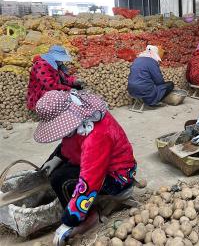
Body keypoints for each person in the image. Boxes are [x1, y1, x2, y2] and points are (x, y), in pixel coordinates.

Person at [34, 90, 137, 244]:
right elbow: (70, 143)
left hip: (118, 176)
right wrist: (56, 158)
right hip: (98, 164)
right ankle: (79, 210)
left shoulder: (96, 136)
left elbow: (89, 182)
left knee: (61, 179)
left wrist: (70, 220)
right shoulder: (80, 117)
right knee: (57, 171)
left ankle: (89, 218)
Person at [26, 45, 84, 110]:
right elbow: (50, 86)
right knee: (67, 96)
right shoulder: (41, 65)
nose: (61, 61)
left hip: (55, 87)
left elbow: (64, 78)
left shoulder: (55, 64)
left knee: (78, 88)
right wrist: (68, 89)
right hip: (42, 93)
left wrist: (74, 81)